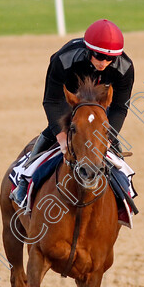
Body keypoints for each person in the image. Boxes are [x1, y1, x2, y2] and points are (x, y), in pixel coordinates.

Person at [10, 19, 135, 204]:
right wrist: (61, 137)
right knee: (50, 136)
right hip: (68, 102)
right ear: (88, 50)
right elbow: (51, 101)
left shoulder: (125, 67)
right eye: (99, 56)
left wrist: (108, 138)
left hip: (99, 107)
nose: (104, 62)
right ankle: (26, 177)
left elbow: (120, 107)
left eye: (110, 59)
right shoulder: (64, 59)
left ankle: (125, 191)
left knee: (113, 148)